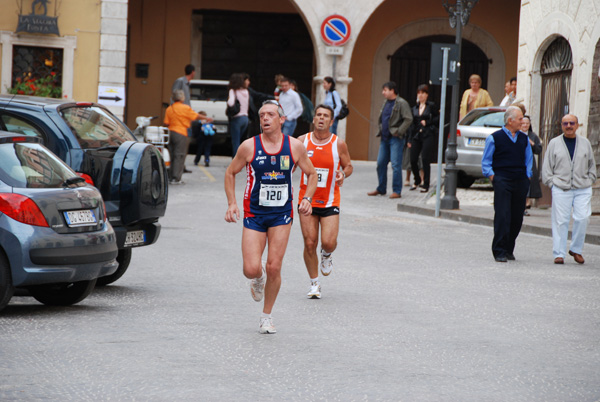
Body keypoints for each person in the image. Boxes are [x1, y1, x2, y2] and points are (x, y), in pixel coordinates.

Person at [224, 100, 317, 334]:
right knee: (250, 268)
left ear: (282, 120)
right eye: (262, 115)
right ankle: (257, 278)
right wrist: (232, 203)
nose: (265, 118)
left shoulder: (294, 147)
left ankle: (266, 316)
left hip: (281, 215)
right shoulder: (249, 147)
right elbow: (230, 172)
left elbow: (312, 173)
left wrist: (307, 199)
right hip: (255, 214)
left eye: (271, 115)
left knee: (274, 266)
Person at [296, 105, 353, 299]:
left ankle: (327, 254)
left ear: (331, 122)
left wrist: (342, 173)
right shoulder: (301, 142)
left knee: (328, 242)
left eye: (325, 116)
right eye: (318, 115)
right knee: (310, 243)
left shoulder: (339, 144)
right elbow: (289, 164)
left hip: (330, 200)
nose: (321, 118)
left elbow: (349, 165)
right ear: (314, 119)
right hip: (307, 200)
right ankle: (314, 283)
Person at [542, 114, 597, 265]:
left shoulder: (585, 143)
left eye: (572, 123)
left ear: (577, 125)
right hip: (561, 187)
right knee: (561, 221)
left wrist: (591, 178)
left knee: (583, 217)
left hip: (582, 187)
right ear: (561, 126)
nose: (568, 126)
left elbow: (592, 164)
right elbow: (547, 166)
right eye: (565, 123)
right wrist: (552, 182)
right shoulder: (554, 143)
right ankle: (559, 253)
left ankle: (576, 249)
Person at [481, 106, 533, 262]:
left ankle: (509, 248)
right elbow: (486, 161)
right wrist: (493, 178)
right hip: (502, 180)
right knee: (503, 216)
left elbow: (528, 159)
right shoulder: (494, 138)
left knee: (517, 217)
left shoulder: (524, 139)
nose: (522, 121)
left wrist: (528, 176)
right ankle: (499, 250)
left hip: (520, 181)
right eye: (520, 118)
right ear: (510, 121)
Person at [367, 81, 413, 199]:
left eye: (385, 90)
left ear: (392, 90)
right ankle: (381, 188)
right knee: (380, 163)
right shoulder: (385, 102)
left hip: (395, 139)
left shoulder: (401, 103)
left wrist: (399, 131)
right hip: (384, 138)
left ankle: (396, 191)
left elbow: (408, 119)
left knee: (396, 165)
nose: (383, 92)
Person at [164, 90, 212, 184]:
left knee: (172, 155)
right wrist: (206, 118)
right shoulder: (185, 108)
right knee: (180, 155)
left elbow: (166, 122)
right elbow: (195, 116)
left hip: (171, 132)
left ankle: (170, 176)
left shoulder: (170, 108)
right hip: (181, 133)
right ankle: (176, 178)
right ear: (182, 98)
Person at [408, 84, 439, 193]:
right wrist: (409, 139)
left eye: (423, 93)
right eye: (419, 93)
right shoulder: (414, 108)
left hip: (427, 134)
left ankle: (426, 183)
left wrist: (428, 122)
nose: (421, 95)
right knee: (412, 159)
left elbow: (438, 119)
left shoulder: (431, 106)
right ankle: (417, 179)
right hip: (416, 135)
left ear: (427, 95)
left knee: (425, 158)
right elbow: (411, 125)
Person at [521, 115, 542, 213]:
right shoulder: (515, 134)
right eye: (523, 123)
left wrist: (532, 143)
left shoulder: (533, 136)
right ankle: (523, 204)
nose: (525, 125)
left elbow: (538, 150)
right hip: (519, 161)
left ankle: (526, 203)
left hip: (529, 161)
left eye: (527, 123)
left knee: (528, 181)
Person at [227, 73, 250, 156]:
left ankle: (235, 161)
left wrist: (228, 101)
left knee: (235, 142)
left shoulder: (233, 91)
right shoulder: (246, 91)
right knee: (240, 140)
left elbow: (231, 103)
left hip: (237, 119)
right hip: (245, 119)